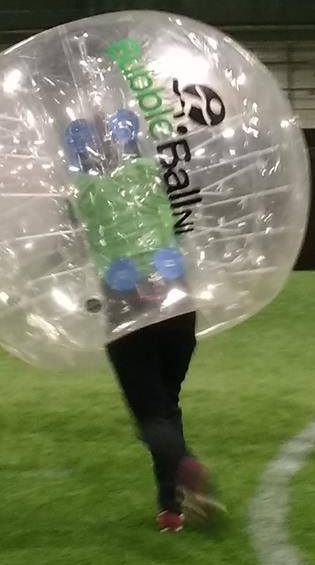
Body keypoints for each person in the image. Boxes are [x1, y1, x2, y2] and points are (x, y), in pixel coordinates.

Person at [66, 110, 222, 533]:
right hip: (178, 301)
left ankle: (186, 468)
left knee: (151, 415)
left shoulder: (84, 191)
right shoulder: (152, 175)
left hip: (128, 305)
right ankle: (170, 506)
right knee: (166, 404)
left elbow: (72, 238)